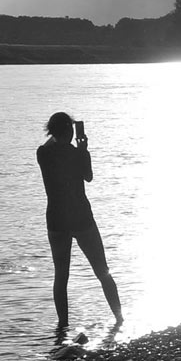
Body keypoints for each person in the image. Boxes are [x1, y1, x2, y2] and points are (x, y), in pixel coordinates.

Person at [37, 111, 122, 328]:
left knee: (61, 276)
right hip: (81, 218)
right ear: (69, 131)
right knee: (102, 270)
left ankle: (63, 325)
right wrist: (83, 150)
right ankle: (119, 317)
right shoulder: (76, 154)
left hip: (56, 221)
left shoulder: (43, 154)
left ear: (52, 132)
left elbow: (50, 145)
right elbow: (88, 176)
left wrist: (60, 135)